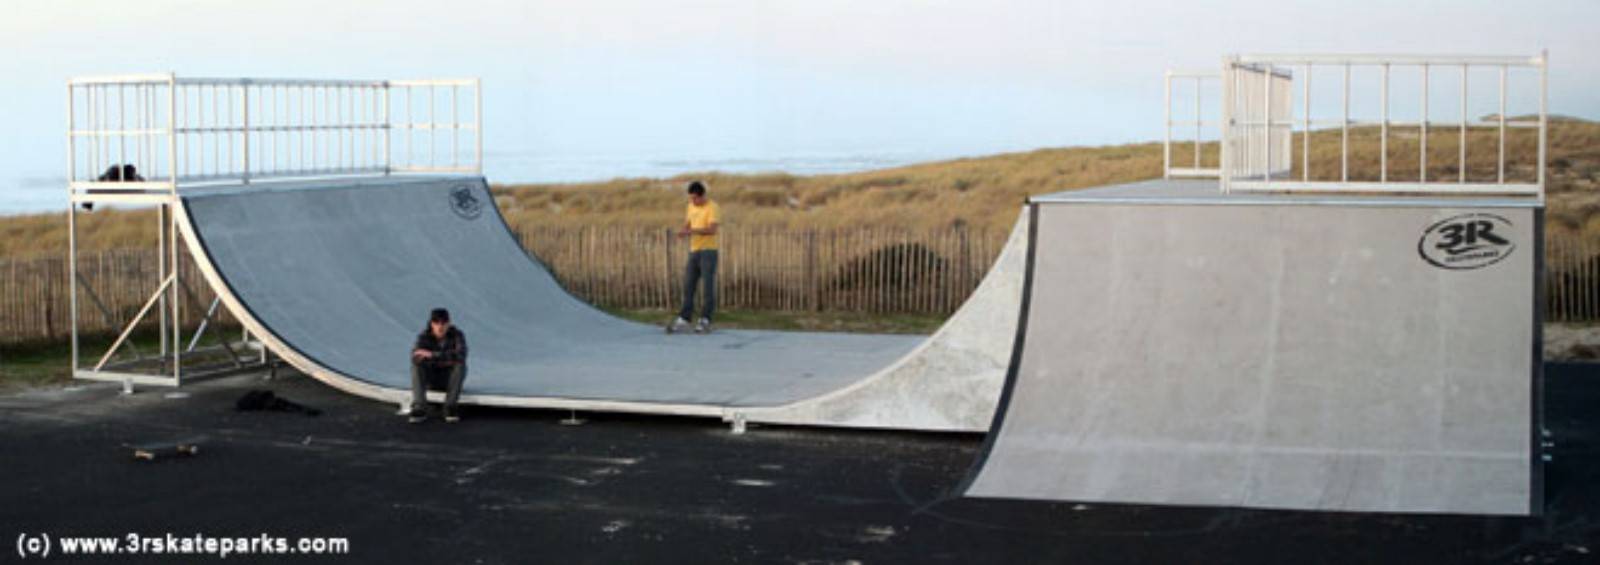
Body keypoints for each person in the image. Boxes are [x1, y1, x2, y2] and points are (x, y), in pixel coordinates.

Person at [667, 181, 719, 334]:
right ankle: (685, 318)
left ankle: (705, 319)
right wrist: (683, 232)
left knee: (708, 287)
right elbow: (688, 224)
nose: (692, 201)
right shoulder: (690, 207)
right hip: (694, 250)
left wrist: (692, 232)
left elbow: (712, 230)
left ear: (702, 196)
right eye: (690, 198)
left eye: (695, 198)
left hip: (708, 251)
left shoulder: (713, 207)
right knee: (688, 285)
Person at [409, 308, 468, 423]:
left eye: (443, 323)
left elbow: (460, 355)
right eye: (436, 323)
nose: (440, 327)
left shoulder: (457, 335)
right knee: (416, 367)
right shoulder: (424, 337)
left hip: (449, 379)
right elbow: (416, 357)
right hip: (431, 379)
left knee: (460, 366)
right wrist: (446, 358)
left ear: (449, 323)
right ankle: (419, 407)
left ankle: (450, 407)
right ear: (431, 324)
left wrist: (432, 355)